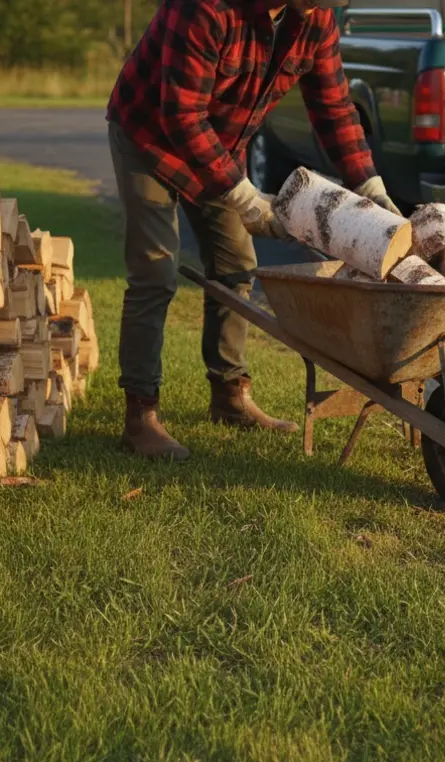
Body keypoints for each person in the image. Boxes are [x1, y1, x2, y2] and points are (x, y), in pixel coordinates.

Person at [106, 0, 400, 461]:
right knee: (154, 274)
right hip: (150, 137)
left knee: (236, 266)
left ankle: (229, 395)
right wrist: (245, 198)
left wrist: (372, 189)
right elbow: (181, 115)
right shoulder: (205, 8)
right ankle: (140, 416)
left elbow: (335, 108)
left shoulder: (314, 16)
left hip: (218, 147)